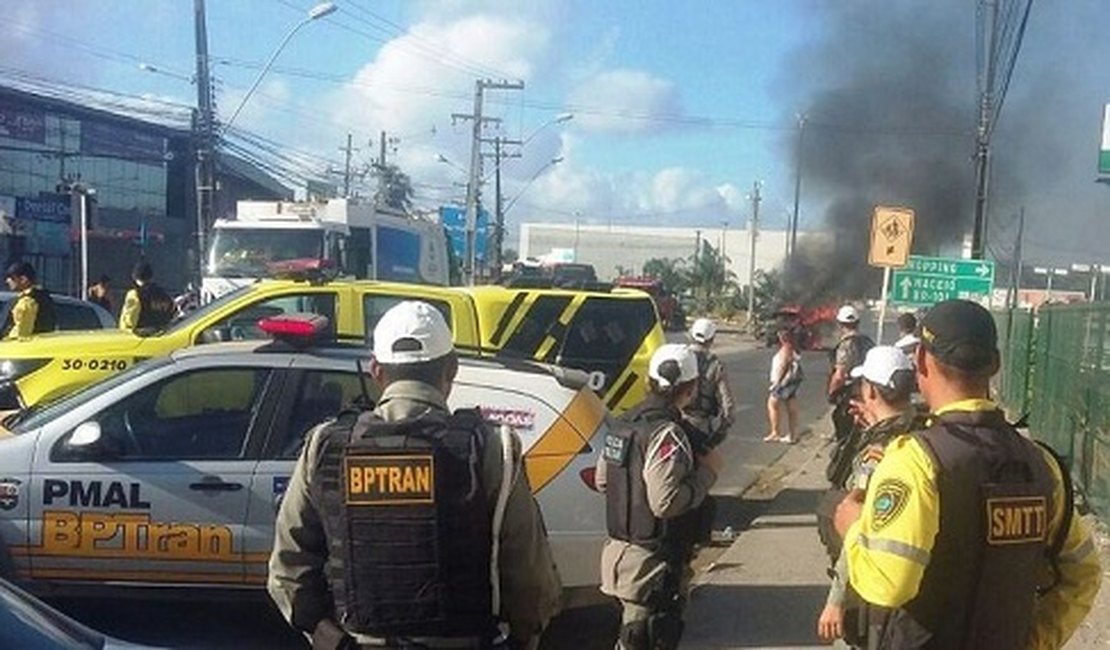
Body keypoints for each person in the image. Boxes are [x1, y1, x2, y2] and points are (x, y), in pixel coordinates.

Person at [268, 301, 561, 649]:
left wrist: (329, 639)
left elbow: (288, 570)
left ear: (377, 371)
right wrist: (523, 639)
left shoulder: (325, 445)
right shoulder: (492, 447)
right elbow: (530, 578)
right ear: (451, 369)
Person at [835, 300, 1101, 649]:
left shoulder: (915, 460)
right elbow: (1083, 573)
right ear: (996, 365)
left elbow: (888, 584)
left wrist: (852, 526)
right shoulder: (1039, 465)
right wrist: (1034, 640)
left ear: (920, 361)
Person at [597, 343, 724, 650]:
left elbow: (603, 480)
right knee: (648, 636)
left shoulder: (623, 423)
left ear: (648, 381)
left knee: (632, 636)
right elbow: (665, 502)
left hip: (619, 558)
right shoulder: (667, 433)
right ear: (691, 388)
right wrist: (708, 474)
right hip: (651, 564)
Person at [815, 346, 920, 646]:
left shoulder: (877, 454)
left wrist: (835, 601)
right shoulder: (921, 429)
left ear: (872, 391)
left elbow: (858, 529)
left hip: (874, 582)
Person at [684, 317, 736, 448]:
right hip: (701, 425)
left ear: (691, 335)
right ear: (712, 339)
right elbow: (727, 405)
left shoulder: (679, 357)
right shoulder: (715, 365)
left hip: (675, 420)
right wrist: (721, 431)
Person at [827, 305, 874, 444]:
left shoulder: (846, 345)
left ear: (840, 324)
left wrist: (832, 392)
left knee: (843, 423)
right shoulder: (867, 341)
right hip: (867, 388)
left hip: (850, 391)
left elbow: (839, 374)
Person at [764, 329, 803, 443]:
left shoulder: (786, 349)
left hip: (784, 382)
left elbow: (784, 365)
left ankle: (775, 432)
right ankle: (792, 434)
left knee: (772, 404)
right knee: (791, 407)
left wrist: (778, 382)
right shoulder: (793, 348)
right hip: (791, 382)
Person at [3, 261, 56, 339]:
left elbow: (21, 332)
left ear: (23, 279)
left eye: (12, 278)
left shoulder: (27, 301)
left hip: (19, 348)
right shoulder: (45, 298)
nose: (7, 281)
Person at [119, 261, 174, 332]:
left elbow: (130, 321)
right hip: (164, 337)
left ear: (134, 277)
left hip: (141, 338)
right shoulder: (163, 294)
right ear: (151, 276)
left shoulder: (135, 295)